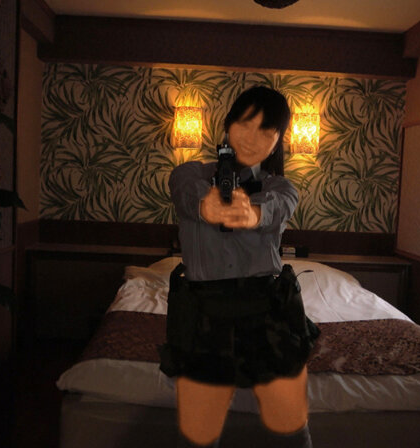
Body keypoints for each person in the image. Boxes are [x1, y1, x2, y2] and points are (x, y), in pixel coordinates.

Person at [158, 86, 321, 448]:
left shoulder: (283, 188)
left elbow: (275, 208)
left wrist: (252, 214)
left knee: (291, 429)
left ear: (277, 143)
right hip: (204, 318)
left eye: (267, 131)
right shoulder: (188, 174)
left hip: (266, 315)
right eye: (246, 125)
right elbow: (187, 196)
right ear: (228, 126)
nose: (253, 138)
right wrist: (210, 205)